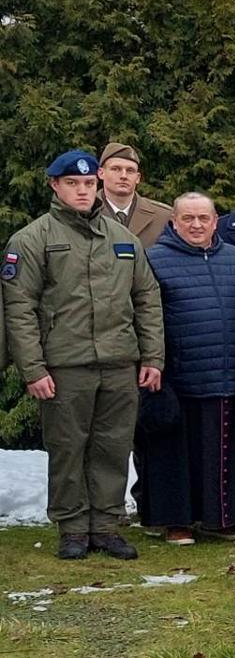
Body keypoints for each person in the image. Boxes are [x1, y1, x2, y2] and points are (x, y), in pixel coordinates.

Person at [3, 149, 165, 560]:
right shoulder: (32, 239)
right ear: (55, 185)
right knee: (68, 447)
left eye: (88, 183)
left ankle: (107, 525)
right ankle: (73, 528)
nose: (82, 190)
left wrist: (152, 358)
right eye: (72, 183)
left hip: (119, 362)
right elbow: (19, 309)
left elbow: (146, 299)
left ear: (97, 185)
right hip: (64, 365)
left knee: (113, 446)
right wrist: (33, 368)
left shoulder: (123, 239)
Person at [136, 193, 235, 545]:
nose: (196, 225)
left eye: (203, 218)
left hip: (228, 375)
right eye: (188, 218)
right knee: (175, 456)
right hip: (178, 375)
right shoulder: (154, 260)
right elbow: (144, 316)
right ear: (174, 222)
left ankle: (222, 519)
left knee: (225, 454)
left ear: (215, 221)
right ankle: (177, 522)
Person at [97, 142, 170, 248]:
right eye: (116, 169)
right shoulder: (83, 213)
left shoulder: (163, 217)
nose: (123, 176)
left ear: (138, 178)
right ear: (101, 173)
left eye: (130, 171)